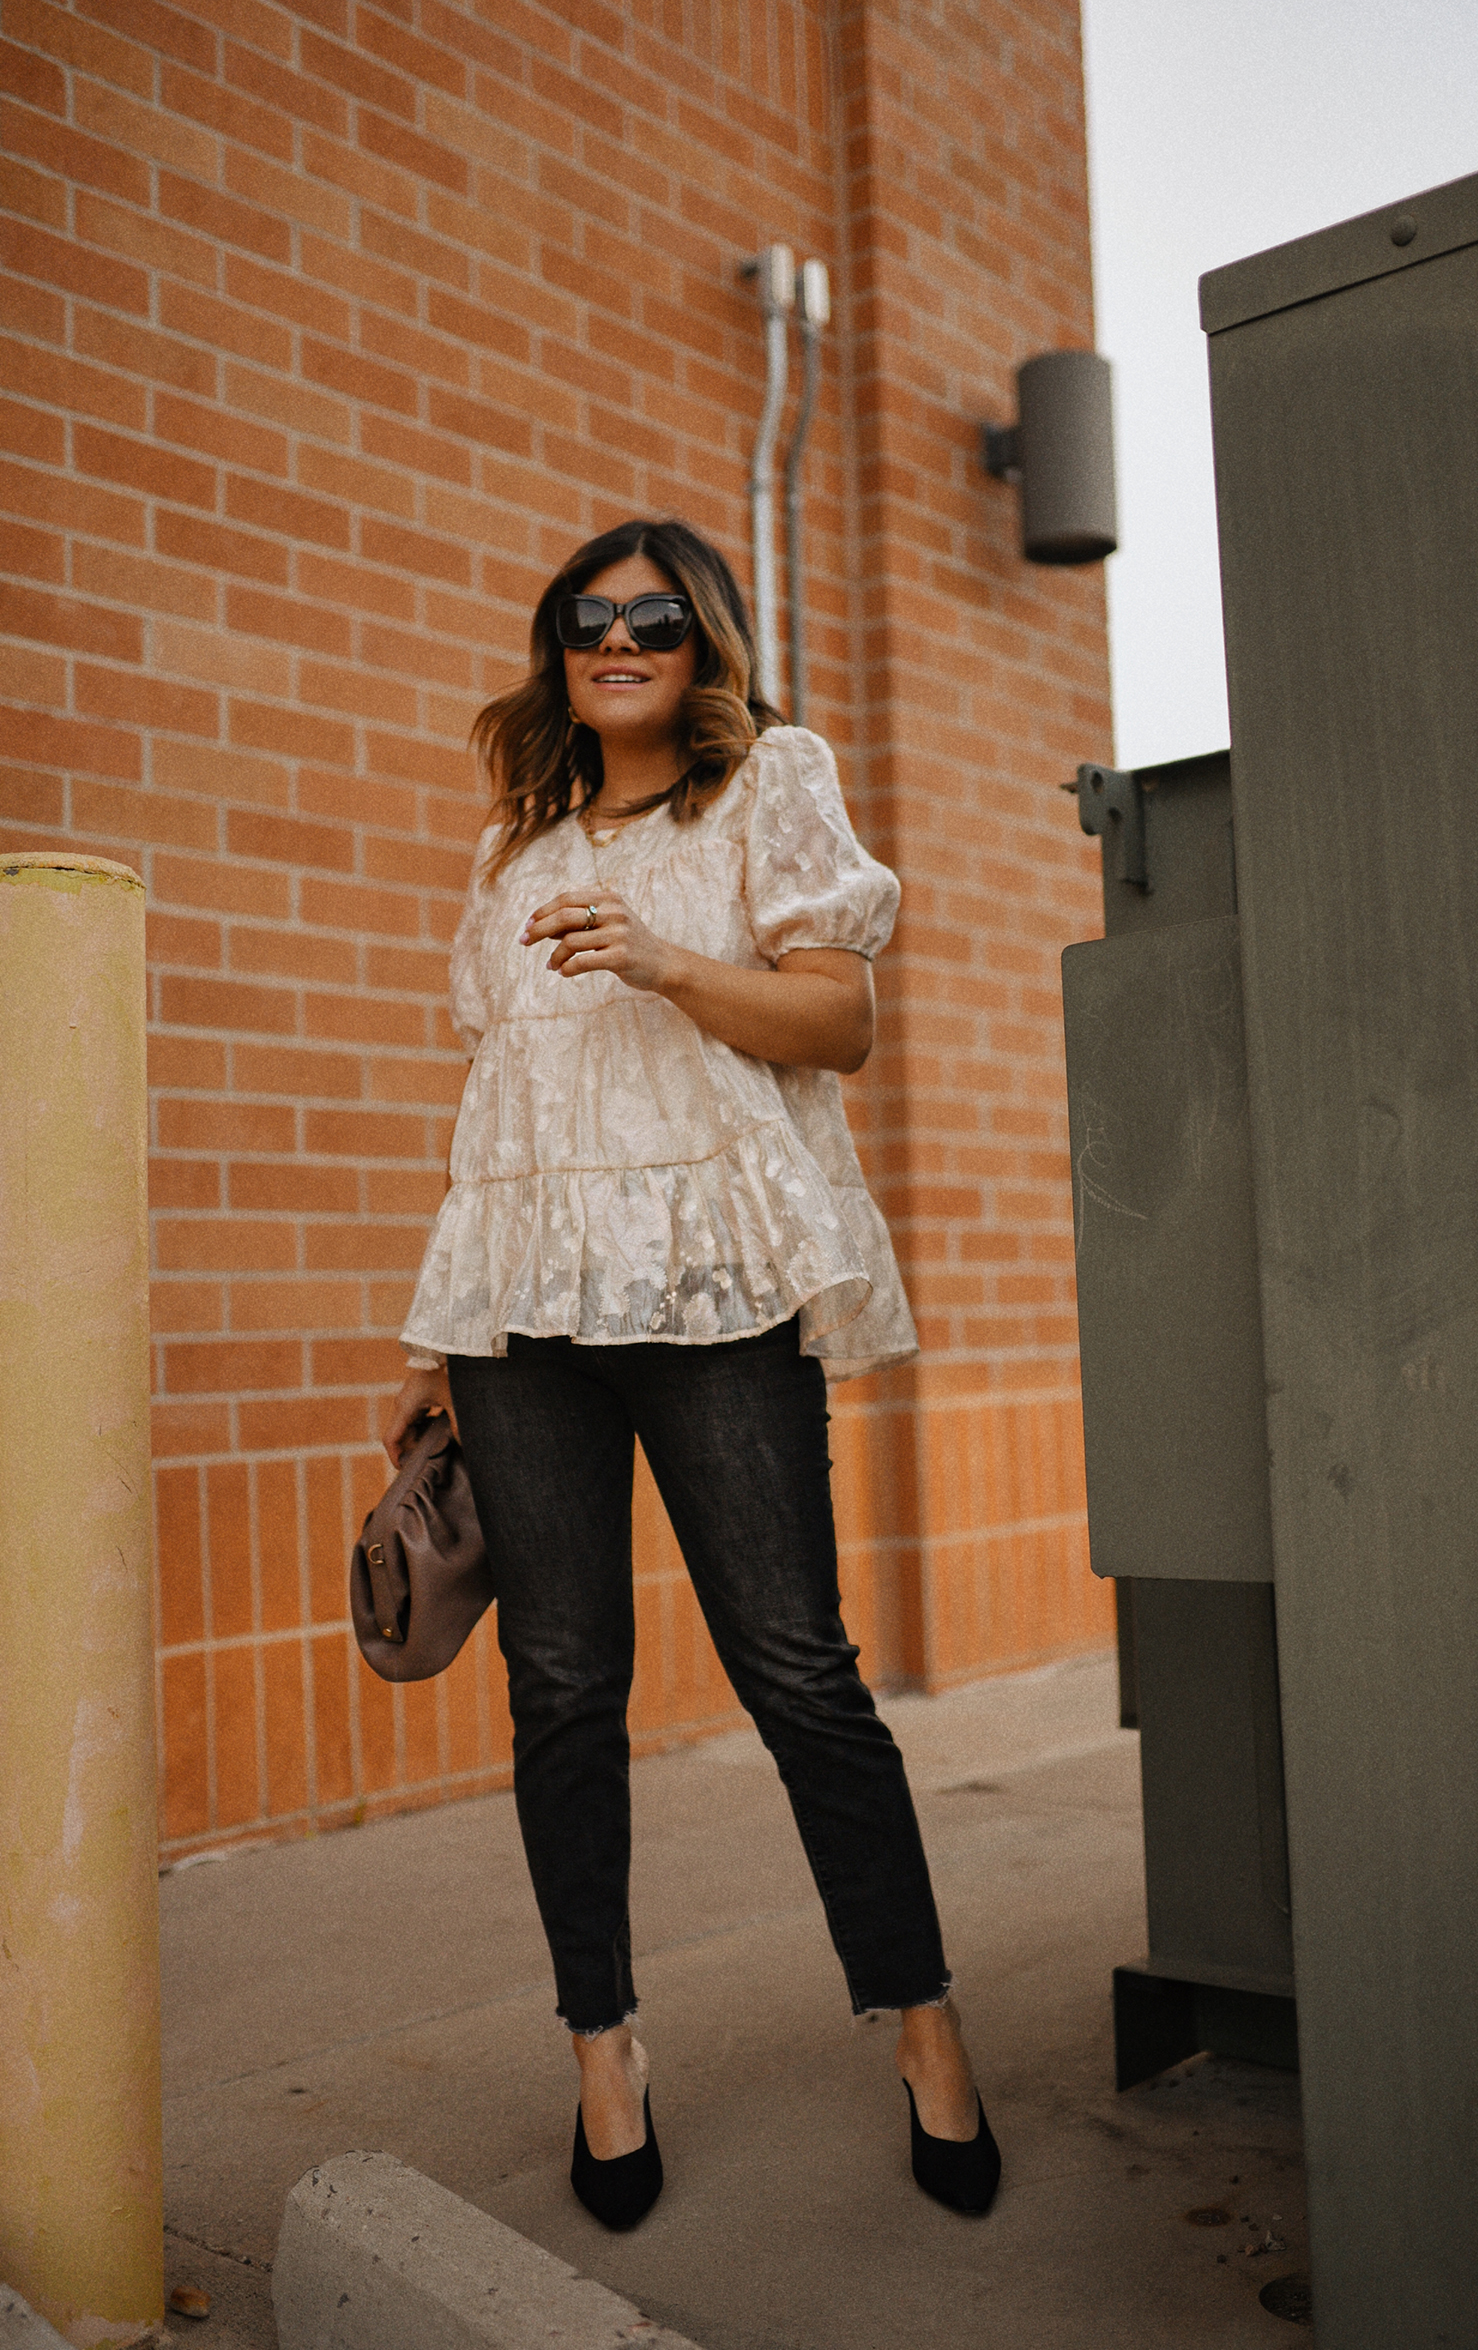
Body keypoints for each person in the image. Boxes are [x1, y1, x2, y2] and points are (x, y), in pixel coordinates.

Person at [384, 516, 1000, 2229]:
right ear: (558, 647)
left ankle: (924, 2023)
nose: (619, 638)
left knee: (799, 1669)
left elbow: (841, 1021)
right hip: (528, 1317)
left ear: (705, 636)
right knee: (563, 1686)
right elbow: (501, 1111)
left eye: (655, 615)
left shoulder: (767, 788)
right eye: (588, 618)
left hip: (716, 1293)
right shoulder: (514, 852)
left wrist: (660, 957)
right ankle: (604, 2049)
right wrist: (442, 1341)